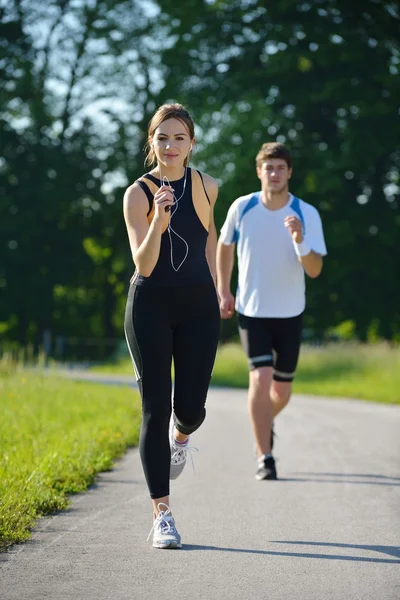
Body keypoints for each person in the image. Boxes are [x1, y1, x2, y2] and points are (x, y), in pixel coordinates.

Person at [123, 103, 220, 549]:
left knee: (193, 408)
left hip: (199, 304)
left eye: (179, 137)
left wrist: (219, 289)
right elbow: (143, 265)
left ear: (191, 143)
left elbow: (210, 239)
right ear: (151, 143)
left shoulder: (206, 186)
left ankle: (181, 437)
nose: (171, 145)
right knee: (155, 406)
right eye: (162, 137)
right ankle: (162, 515)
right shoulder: (138, 194)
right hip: (151, 307)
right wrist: (158, 223)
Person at [216, 142, 327, 481]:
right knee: (261, 379)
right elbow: (224, 246)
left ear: (289, 172)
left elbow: (314, 269)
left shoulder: (305, 213)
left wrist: (299, 239)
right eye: (269, 167)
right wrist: (223, 289)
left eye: (281, 167)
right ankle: (265, 455)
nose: (275, 173)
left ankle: (263, 423)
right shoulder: (242, 207)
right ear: (259, 171)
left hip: (291, 312)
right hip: (253, 311)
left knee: (281, 392)